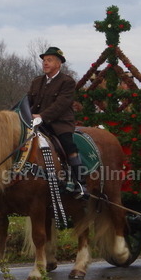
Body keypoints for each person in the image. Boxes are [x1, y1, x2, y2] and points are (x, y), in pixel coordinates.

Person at [28, 46, 87, 199]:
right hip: (37, 123)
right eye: (44, 60)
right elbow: (27, 102)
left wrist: (41, 116)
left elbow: (60, 105)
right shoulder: (36, 82)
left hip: (60, 123)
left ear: (59, 63)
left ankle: (80, 182)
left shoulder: (67, 82)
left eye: (49, 60)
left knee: (68, 144)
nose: (45, 63)